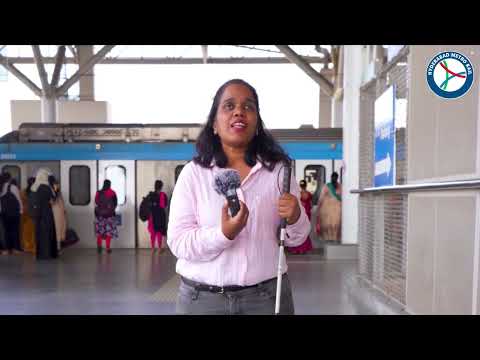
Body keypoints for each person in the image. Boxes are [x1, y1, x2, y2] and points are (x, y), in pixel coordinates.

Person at [167, 79, 311, 315]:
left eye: (248, 106)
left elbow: (295, 239)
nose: (239, 112)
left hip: (267, 300)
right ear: (214, 124)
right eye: (229, 106)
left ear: (257, 124)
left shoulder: (279, 172)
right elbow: (179, 242)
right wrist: (224, 234)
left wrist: (296, 216)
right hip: (201, 301)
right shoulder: (193, 174)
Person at [30, 168, 58, 260]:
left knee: (39, 233)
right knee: (47, 233)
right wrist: (55, 191)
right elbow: (53, 200)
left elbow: (32, 202)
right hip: (47, 213)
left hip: (37, 214)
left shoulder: (33, 187)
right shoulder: (46, 187)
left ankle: (40, 254)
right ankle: (48, 254)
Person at [286, 179, 313, 254]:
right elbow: (311, 204)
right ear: (306, 185)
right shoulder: (309, 194)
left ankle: (295, 249)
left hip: (301, 213)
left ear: (300, 185)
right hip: (307, 213)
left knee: (296, 230)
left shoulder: (298, 194)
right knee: (304, 230)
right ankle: (303, 249)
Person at [0, 172, 23, 254]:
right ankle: (15, 249)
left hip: (3, 212)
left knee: (6, 231)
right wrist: (21, 210)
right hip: (14, 213)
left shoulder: (1, 187)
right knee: (15, 230)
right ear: (9, 178)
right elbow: (18, 199)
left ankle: (6, 249)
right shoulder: (12, 187)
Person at [316, 171, 342, 242]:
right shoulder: (338, 186)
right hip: (334, 210)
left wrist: (318, 207)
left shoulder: (328, 186)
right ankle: (334, 240)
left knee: (330, 225)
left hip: (330, 210)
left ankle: (330, 240)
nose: (333, 178)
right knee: (333, 225)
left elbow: (321, 198)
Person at [94, 180, 118, 254]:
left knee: (100, 232)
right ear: (110, 185)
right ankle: (108, 248)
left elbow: (96, 201)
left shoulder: (98, 192)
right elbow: (115, 203)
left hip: (100, 215)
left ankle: (99, 247)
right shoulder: (112, 193)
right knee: (109, 232)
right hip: (109, 216)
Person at [146, 180, 168, 253]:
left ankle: (152, 248)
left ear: (155, 186)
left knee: (153, 232)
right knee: (159, 232)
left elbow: (148, 205)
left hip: (152, 216)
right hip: (160, 216)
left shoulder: (150, 195)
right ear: (161, 186)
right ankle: (159, 248)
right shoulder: (163, 195)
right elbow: (164, 205)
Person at [49, 176, 67, 253]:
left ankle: (55, 248)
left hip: (54, 211)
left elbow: (52, 201)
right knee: (58, 229)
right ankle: (58, 248)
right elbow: (61, 200)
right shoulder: (57, 188)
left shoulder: (49, 188)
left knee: (55, 230)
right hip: (59, 211)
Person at [20, 177, 36, 254]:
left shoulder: (23, 191)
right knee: (33, 230)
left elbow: (21, 201)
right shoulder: (36, 191)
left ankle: (26, 246)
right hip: (33, 212)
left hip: (25, 212)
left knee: (25, 230)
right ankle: (33, 247)